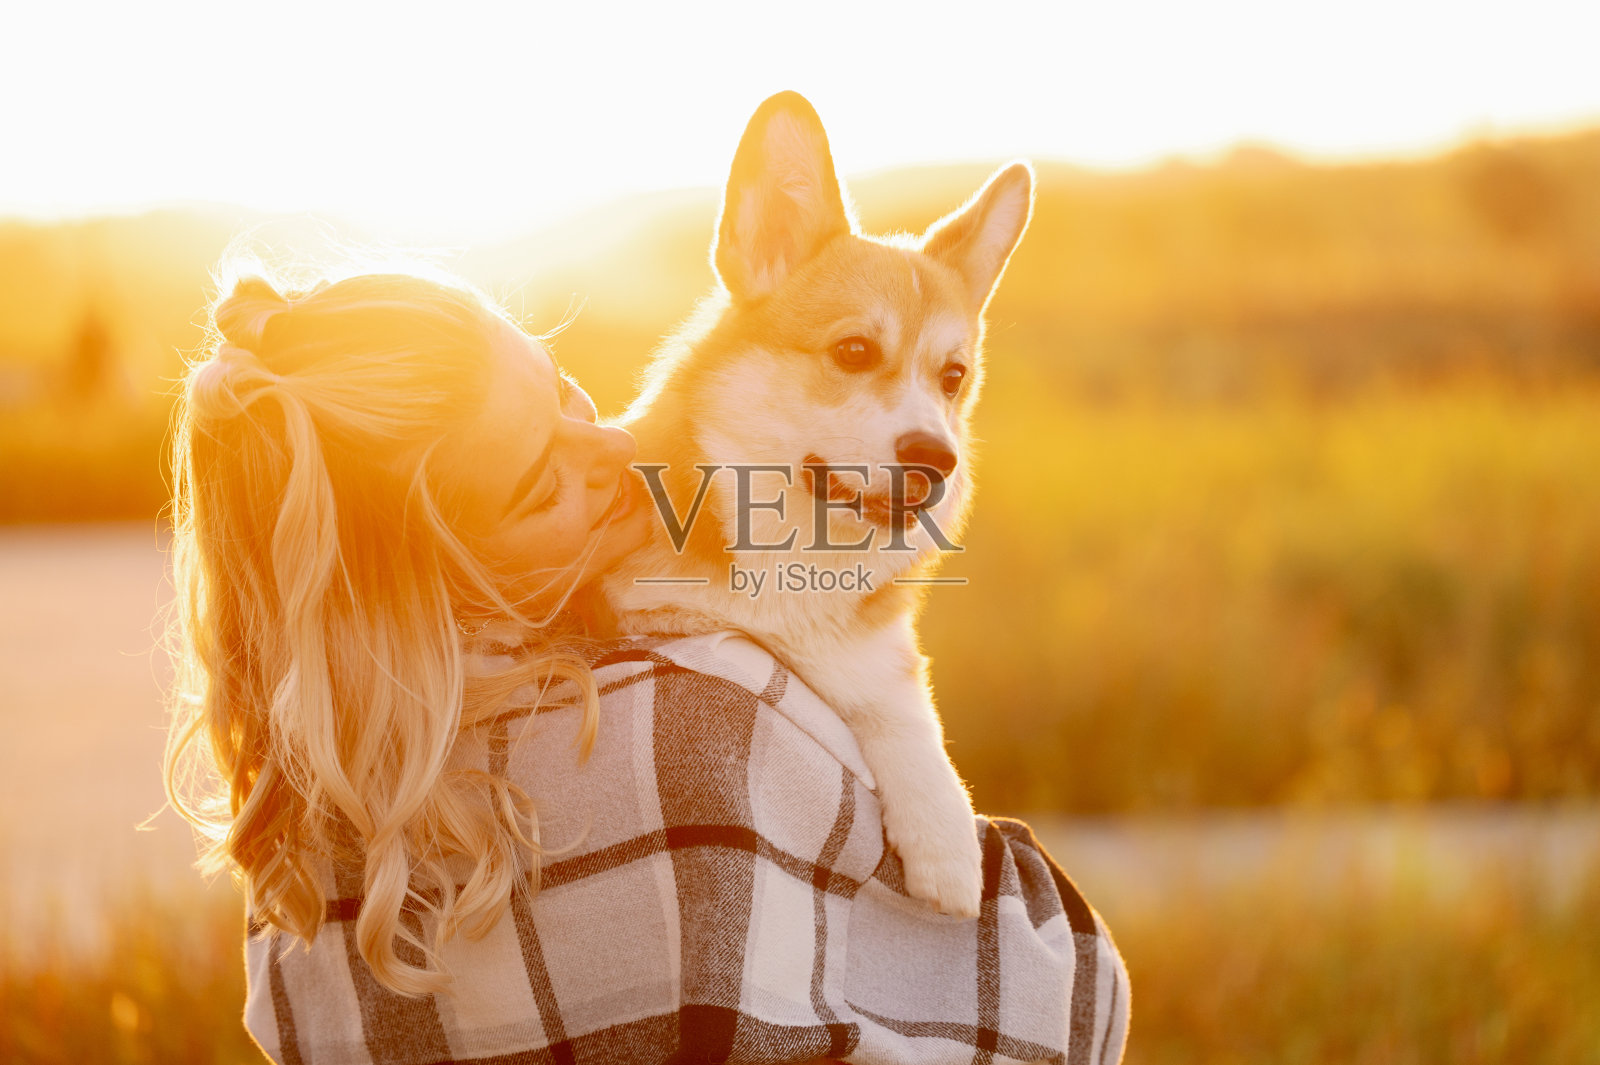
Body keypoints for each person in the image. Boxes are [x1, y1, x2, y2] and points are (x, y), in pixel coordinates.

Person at [164, 263, 1130, 1064]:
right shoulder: (695, 726)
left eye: (564, 392)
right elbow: (1060, 998)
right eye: (543, 483)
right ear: (426, 578)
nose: (613, 445)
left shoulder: (295, 862)